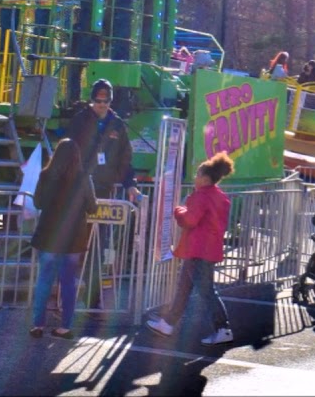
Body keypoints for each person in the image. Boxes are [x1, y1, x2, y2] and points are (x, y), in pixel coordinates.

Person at [64, 79, 138, 310]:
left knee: (98, 242)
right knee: (73, 242)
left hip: (103, 192)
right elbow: (66, 152)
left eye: (106, 101)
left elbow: (126, 157)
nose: (102, 105)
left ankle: (92, 297)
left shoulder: (117, 124)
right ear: (91, 99)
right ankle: (65, 293)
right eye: (98, 100)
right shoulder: (79, 121)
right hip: (78, 190)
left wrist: (130, 184)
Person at [147, 152, 236, 345]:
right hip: (208, 249)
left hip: (198, 250)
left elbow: (189, 220)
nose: (195, 178)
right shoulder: (220, 196)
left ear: (204, 178)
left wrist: (178, 210)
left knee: (205, 291)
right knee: (184, 288)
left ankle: (223, 328)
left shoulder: (201, 196)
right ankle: (167, 324)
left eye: (197, 174)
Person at [30, 139, 98, 339]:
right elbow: (92, 207)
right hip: (73, 238)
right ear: (77, 157)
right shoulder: (84, 177)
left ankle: (37, 325)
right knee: (68, 282)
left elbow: (38, 202)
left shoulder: (46, 175)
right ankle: (65, 327)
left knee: (44, 280)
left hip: (49, 236)